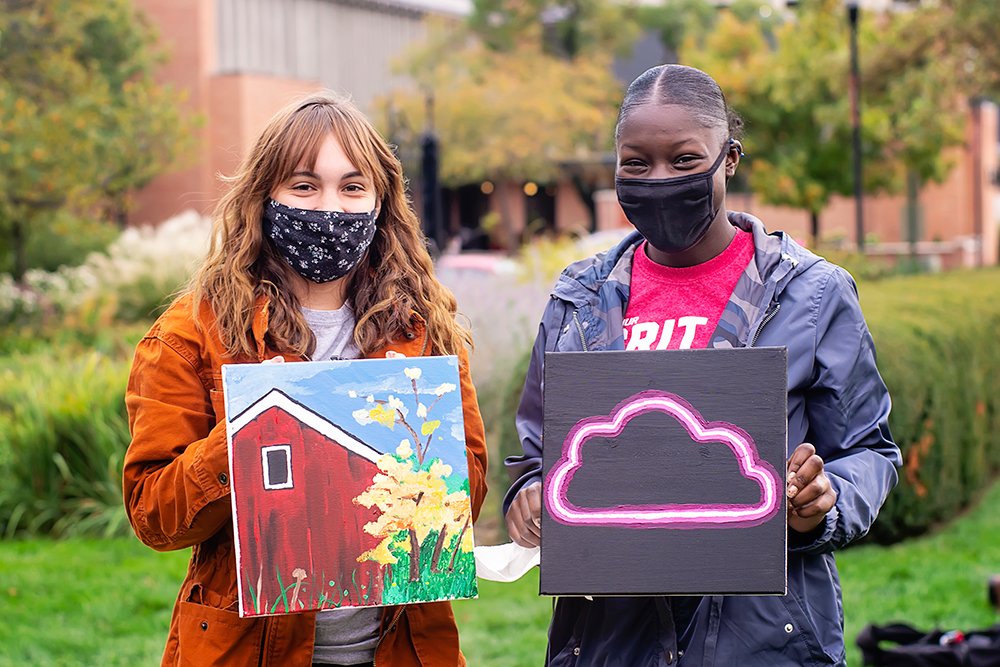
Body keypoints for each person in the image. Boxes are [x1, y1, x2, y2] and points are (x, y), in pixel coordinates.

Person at [504, 64, 901, 667]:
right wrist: (530, 495)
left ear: (729, 159)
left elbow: (870, 450)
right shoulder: (578, 299)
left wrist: (823, 502)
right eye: (636, 164)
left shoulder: (812, 294)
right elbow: (538, 452)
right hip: (610, 641)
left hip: (762, 641)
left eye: (685, 160)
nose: (659, 179)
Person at [123, 93, 488, 667]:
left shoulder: (421, 327)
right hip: (248, 650)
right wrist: (241, 435)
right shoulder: (190, 333)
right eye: (304, 186)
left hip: (401, 649)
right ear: (264, 196)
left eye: (352, 187)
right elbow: (154, 517)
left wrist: (419, 445)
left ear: (380, 201)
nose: (330, 208)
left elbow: (468, 493)